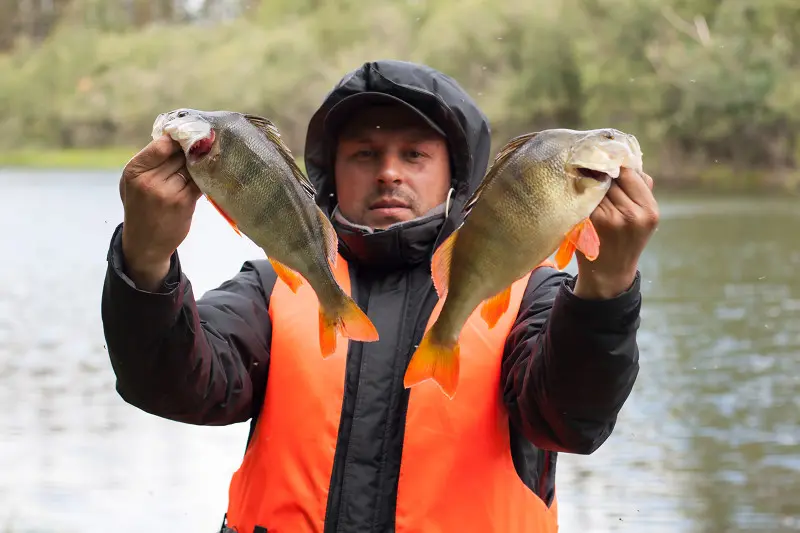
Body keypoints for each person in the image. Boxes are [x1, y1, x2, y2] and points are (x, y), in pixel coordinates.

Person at [101, 60, 659, 533]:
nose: (389, 173)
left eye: (414, 155)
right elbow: (170, 385)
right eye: (364, 154)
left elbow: (570, 423)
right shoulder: (274, 286)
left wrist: (604, 291)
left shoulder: (533, 293)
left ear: (454, 176)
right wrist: (146, 261)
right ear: (331, 173)